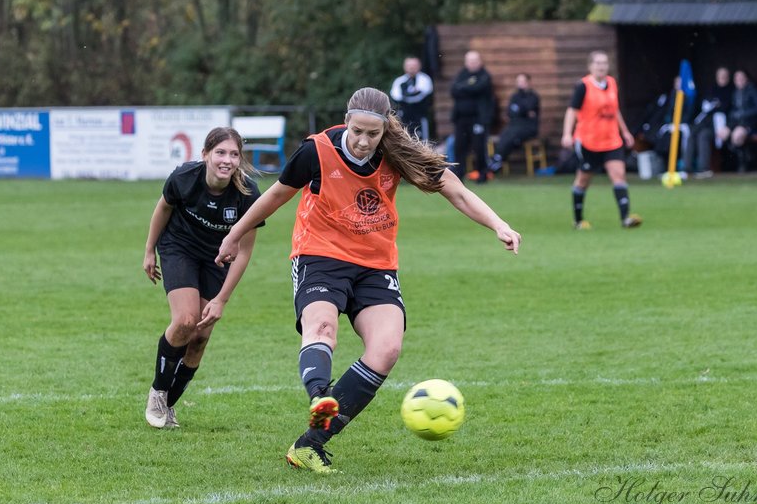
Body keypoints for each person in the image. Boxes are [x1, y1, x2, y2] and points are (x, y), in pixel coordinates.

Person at [214, 87, 521, 474]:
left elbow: (457, 193)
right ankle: (319, 396)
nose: (362, 141)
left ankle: (310, 445)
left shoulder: (396, 152)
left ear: (384, 129)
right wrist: (234, 234)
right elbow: (276, 195)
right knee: (322, 326)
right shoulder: (317, 151)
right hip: (319, 254)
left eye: (371, 134)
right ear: (347, 120)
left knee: (387, 348)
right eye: (356, 131)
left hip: (376, 262)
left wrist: (498, 224)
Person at [141, 127, 264, 428]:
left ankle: (169, 405)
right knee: (185, 320)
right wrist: (148, 252)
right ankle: (158, 391)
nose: (227, 160)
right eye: (220, 152)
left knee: (200, 336)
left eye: (234, 154)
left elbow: (244, 253)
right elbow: (163, 208)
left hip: (216, 258)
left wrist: (222, 300)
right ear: (205, 154)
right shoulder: (183, 177)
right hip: (178, 248)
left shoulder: (248, 194)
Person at [562, 50, 642, 230]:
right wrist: (567, 134)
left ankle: (625, 218)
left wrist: (625, 132)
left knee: (618, 175)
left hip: (611, 140)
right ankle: (578, 221)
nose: (601, 66)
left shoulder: (612, 83)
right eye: (597, 63)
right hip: (588, 141)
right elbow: (572, 111)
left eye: (604, 63)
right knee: (583, 180)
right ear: (590, 66)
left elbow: (615, 111)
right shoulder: (583, 86)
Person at [449, 50, 496, 183]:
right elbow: (453, 90)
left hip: (478, 119)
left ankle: (482, 174)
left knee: (479, 147)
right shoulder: (461, 74)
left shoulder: (484, 76)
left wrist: (463, 88)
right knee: (460, 147)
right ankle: (459, 174)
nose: (472, 64)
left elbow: (478, 88)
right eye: (470, 61)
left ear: (480, 62)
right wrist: (467, 88)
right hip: (461, 119)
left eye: (475, 61)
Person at [485, 73, 540, 176]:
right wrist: (522, 111)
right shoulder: (515, 96)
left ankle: (497, 158)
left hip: (529, 128)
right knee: (506, 134)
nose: (520, 84)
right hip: (515, 126)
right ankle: (498, 158)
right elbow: (510, 112)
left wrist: (520, 109)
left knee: (513, 135)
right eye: (519, 82)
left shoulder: (533, 96)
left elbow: (527, 108)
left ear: (528, 83)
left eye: (523, 82)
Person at [390, 56, 434, 142]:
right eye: (409, 65)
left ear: (419, 66)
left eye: (414, 65)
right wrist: (409, 94)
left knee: (422, 143)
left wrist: (405, 95)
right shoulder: (400, 81)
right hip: (404, 117)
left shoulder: (424, 79)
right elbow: (395, 96)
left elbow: (419, 97)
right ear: (404, 67)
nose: (411, 68)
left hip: (419, 117)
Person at [726, 70, 757, 172]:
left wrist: (743, 114)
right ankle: (743, 156)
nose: (739, 80)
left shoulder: (753, 91)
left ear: (746, 78)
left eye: (741, 78)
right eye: (736, 78)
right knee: (723, 133)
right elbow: (733, 110)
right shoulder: (735, 93)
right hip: (737, 122)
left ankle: (744, 161)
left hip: (751, 122)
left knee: (737, 136)